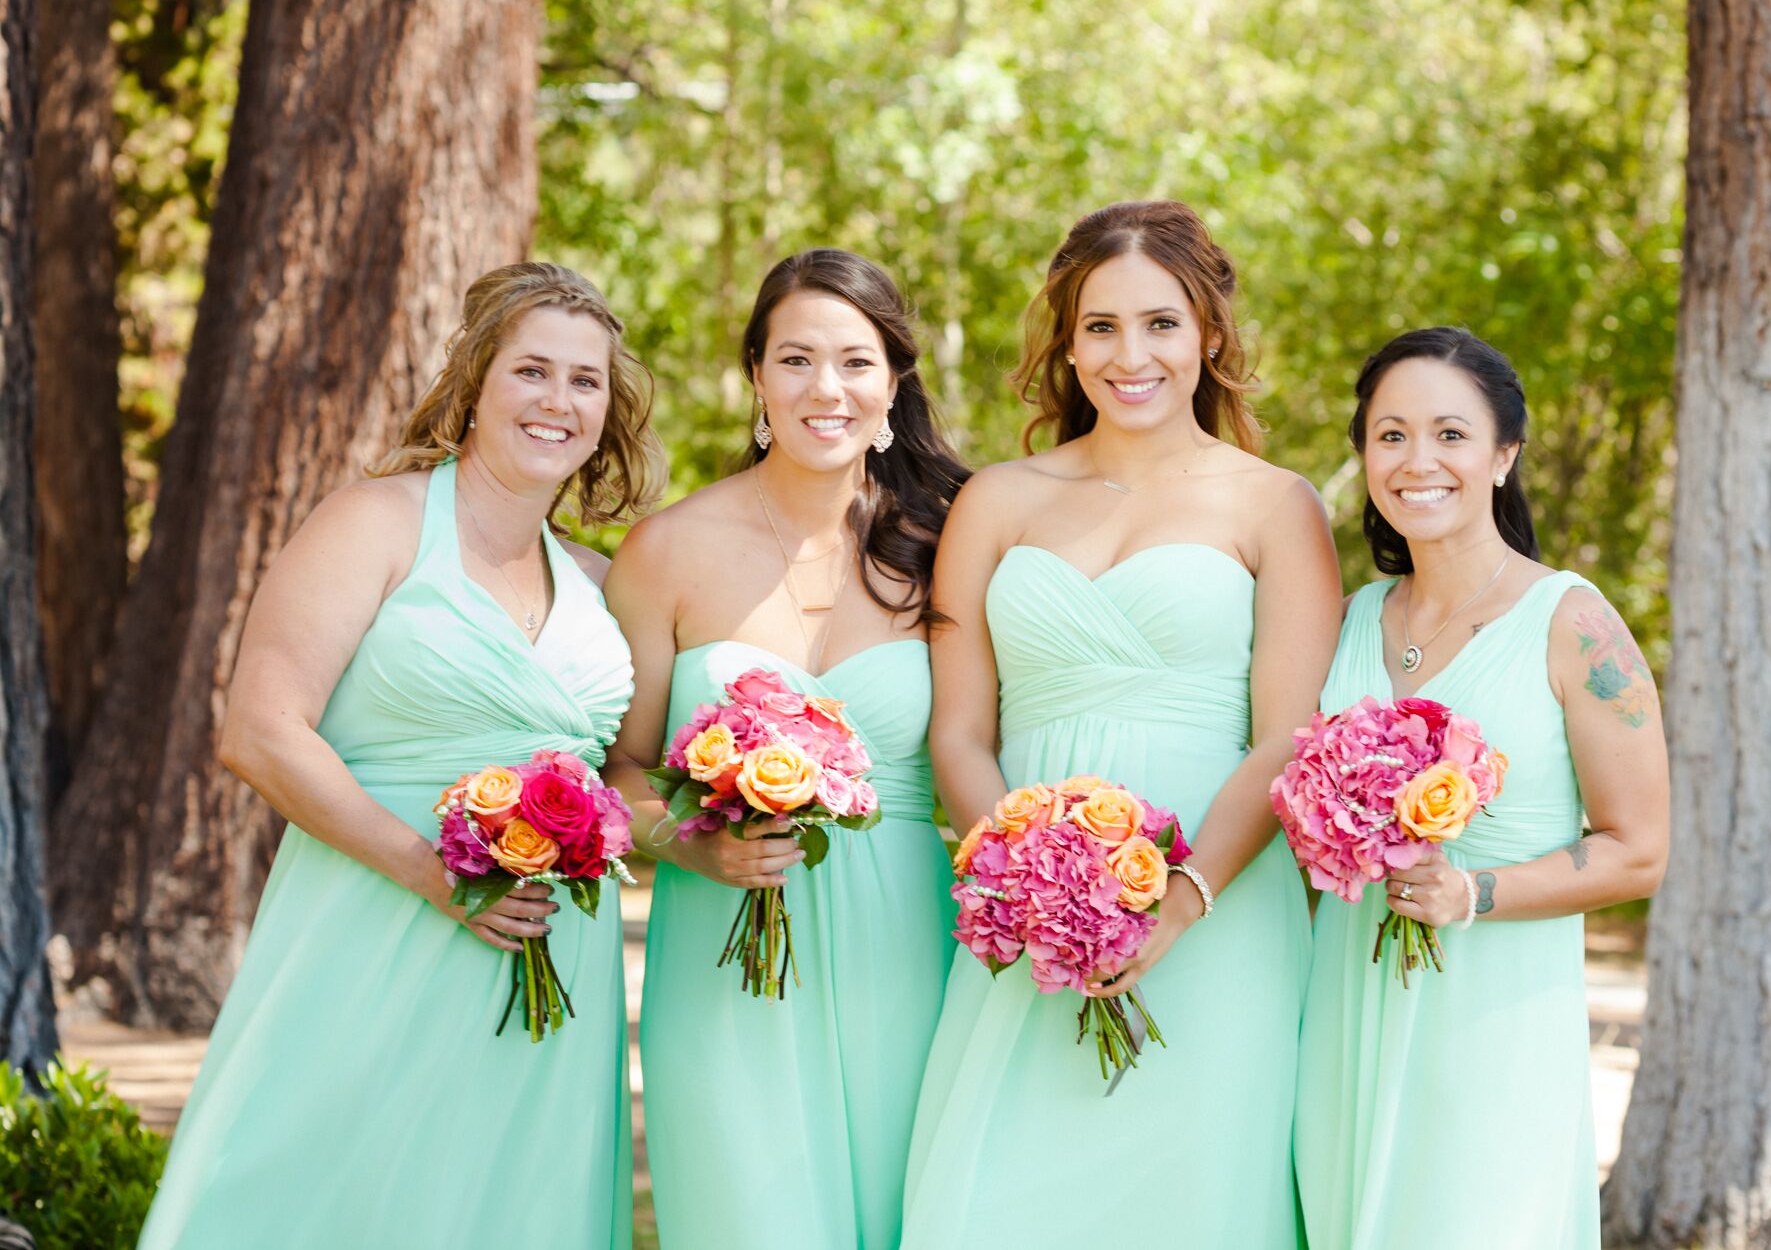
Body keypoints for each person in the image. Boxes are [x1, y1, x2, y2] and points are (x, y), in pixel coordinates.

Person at [138, 262, 664, 1248]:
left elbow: (627, 774)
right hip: (374, 918)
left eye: (585, 381)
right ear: (474, 383)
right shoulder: (374, 524)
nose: (558, 400)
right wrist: (434, 876)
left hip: (548, 950)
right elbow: (260, 729)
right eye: (532, 371)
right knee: (322, 1188)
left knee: (507, 1203)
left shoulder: (599, 580)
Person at [899, 201, 1341, 1248]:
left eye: (1158, 323)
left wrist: (1176, 903)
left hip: (1218, 906)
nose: (1127, 354)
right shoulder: (997, 501)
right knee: (1003, 1188)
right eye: (1098, 326)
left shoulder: (1274, 505)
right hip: (1023, 910)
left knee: (1192, 1189)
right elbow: (958, 730)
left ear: (1209, 335)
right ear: (1064, 339)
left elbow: (1283, 735)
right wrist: (1024, 878)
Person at [603, 248, 970, 1249]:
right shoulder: (666, 551)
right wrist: (691, 842)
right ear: (756, 376)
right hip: (723, 952)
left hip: (909, 949)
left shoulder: (949, 544)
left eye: (855, 361)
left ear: (894, 381)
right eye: (796, 359)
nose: (826, 388)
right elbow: (620, 773)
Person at [1294, 325, 1670, 1249]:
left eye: (1451, 434)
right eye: (1391, 435)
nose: (1418, 460)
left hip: (1493, 1016)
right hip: (1347, 1002)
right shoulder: (1344, 621)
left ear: (1504, 455)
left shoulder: (1572, 621)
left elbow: (1641, 850)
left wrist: (1475, 891)